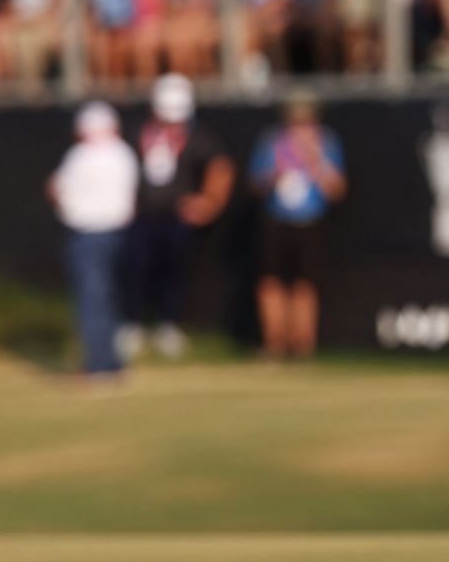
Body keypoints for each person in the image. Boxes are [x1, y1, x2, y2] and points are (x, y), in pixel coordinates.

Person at [119, 74, 233, 362]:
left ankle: (168, 326)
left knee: (174, 272)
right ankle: (133, 325)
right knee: (136, 268)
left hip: (177, 217)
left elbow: (221, 167)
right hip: (141, 215)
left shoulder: (199, 137)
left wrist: (210, 202)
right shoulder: (136, 132)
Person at [249, 93, 347, 361]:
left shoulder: (326, 144)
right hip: (276, 220)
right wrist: (274, 174)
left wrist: (315, 162)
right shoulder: (272, 143)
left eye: (306, 123)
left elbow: (336, 190)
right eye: (295, 123)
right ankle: (274, 344)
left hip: (309, 221)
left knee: (305, 284)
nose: (300, 129)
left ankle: (303, 346)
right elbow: (256, 184)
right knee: (270, 281)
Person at [47, 102, 139, 381]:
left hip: (87, 234)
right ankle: (113, 362)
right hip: (119, 233)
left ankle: (99, 366)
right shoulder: (124, 154)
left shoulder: (80, 156)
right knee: (109, 297)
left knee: (91, 300)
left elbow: (58, 191)